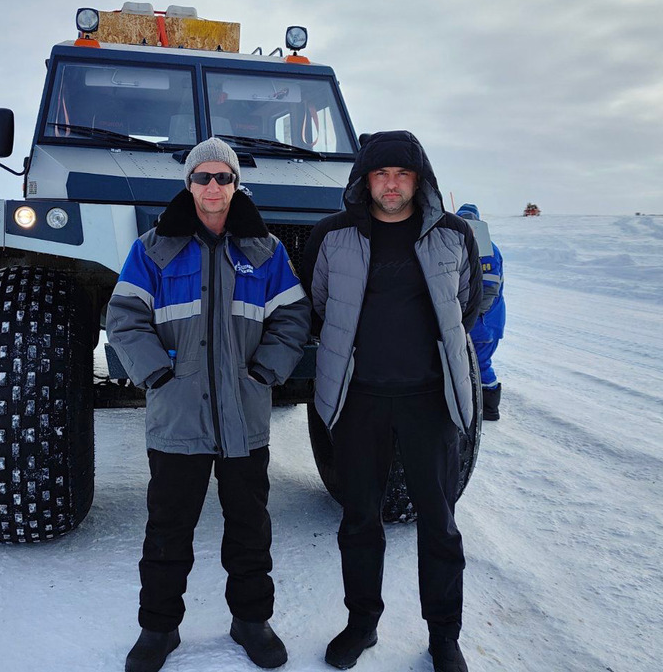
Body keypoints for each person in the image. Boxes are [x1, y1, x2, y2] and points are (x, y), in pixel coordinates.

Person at [106, 137, 310, 672]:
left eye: (223, 177)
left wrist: (267, 371)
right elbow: (124, 316)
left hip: (244, 419)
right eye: (203, 178)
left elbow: (292, 316)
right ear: (188, 184)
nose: (213, 187)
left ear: (236, 184)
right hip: (178, 417)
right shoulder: (153, 248)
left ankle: (251, 621)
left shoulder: (266, 251)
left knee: (250, 527)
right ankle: (159, 629)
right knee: (168, 529)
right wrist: (156, 373)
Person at [301, 130, 482, 672]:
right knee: (360, 520)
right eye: (381, 174)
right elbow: (319, 304)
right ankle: (362, 623)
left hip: (430, 402)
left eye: (402, 174)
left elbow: (466, 307)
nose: (392, 184)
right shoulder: (332, 237)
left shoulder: (452, 235)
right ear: (365, 180)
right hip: (359, 402)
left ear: (419, 179)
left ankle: (444, 636)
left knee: (439, 523)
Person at [455, 204, 506, 421]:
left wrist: (470, 316)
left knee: (480, 363)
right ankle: (475, 404)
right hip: (482, 320)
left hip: (483, 322)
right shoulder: (464, 245)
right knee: (469, 363)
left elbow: (489, 289)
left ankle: (489, 408)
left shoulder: (487, 249)